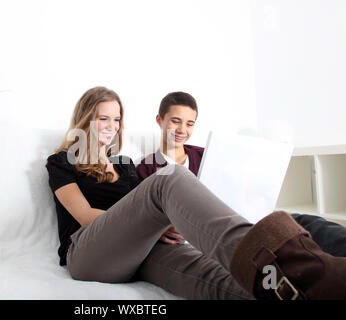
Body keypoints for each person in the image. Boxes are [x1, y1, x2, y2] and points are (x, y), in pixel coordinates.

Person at [45, 86, 346, 300]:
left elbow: (144, 213)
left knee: (212, 277)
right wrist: (147, 222)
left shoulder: (124, 165)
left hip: (136, 252)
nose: (112, 125)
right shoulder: (62, 162)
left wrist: (158, 225)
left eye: (117, 118)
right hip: (86, 254)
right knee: (168, 178)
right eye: (103, 118)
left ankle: (295, 289)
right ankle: (293, 262)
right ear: (85, 119)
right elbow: (85, 216)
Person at [136, 91, 346, 258]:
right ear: (159, 120)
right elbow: (143, 216)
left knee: (307, 223)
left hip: (241, 218)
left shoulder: (209, 153)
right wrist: (160, 230)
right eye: (175, 121)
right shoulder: (145, 168)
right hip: (206, 235)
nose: (182, 129)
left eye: (189, 124)